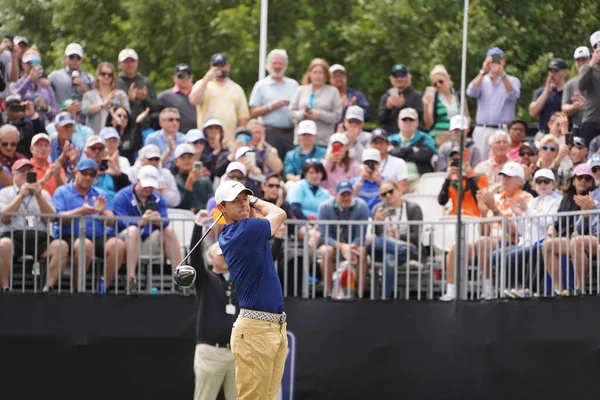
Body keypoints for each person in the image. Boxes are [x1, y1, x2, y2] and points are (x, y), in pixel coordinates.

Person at [215, 179, 288, 400]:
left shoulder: (243, 229)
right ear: (222, 208)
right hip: (256, 331)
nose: (243, 204)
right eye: (235, 202)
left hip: (273, 327)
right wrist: (256, 201)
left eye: (245, 198)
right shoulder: (244, 230)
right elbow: (279, 213)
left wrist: (248, 205)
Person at [440, 162, 532, 301]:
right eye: (503, 176)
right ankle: (451, 291)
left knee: (484, 242)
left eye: (509, 177)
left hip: (512, 243)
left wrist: (494, 209)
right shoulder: (495, 198)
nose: (505, 179)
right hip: (489, 242)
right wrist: (483, 213)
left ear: (520, 181)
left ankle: (488, 289)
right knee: (457, 246)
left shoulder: (526, 198)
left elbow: (515, 232)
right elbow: (484, 231)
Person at [46, 159, 125, 293]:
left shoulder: (100, 193)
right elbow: (56, 219)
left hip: (98, 235)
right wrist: (80, 211)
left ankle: (103, 287)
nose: (88, 177)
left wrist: (101, 212)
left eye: (92, 174)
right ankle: (77, 288)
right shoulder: (62, 192)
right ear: (76, 172)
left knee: (118, 244)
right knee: (85, 244)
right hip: (68, 235)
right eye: (84, 173)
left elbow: (111, 221)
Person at [112, 165, 182, 294]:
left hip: (149, 239)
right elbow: (119, 222)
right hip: (124, 238)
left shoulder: (158, 198)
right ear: (138, 180)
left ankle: (179, 279)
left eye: (151, 185)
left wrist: (158, 220)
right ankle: (131, 280)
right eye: (146, 185)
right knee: (133, 230)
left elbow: (165, 220)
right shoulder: (122, 196)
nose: (148, 188)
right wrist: (140, 222)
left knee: (169, 231)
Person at [190, 220, 238, 400]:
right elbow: (195, 258)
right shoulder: (205, 280)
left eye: (227, 253)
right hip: (211, 352)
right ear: (211, 257)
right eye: (220, 254)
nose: (225, 257)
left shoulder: (237, 283)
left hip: (235, 354)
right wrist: (197, 227)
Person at [498, 168, 562, 298]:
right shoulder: (533, 201)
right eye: (539, 181)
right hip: (525, 243)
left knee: (510, 256)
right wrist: (518, 215)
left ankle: (520, 288)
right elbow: (522, 230)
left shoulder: (557, 200)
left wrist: (527, 211)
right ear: (534, 184)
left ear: (553, 184)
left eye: (546, 181)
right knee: (496, 255)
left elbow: (548, 222)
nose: (543, 185)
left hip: (541, 243)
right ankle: (508, 289)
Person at [0, 159, 56, 292]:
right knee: (3, 245)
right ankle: (5, 286)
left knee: (61, 247)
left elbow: (51, 218)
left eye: (29, 171)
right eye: (22, 171)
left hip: (39, 236)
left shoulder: (44, 193)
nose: (26, 174)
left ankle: (49, 286)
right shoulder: (5, 193)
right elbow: (5, 217)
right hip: (14, 235)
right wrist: (20, 196)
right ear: (13, 174)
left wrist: (38, 196)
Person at [543, 163, 596, 296]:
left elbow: (591, 226)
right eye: (580, 178)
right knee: (547, 245)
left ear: (591, 182)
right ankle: (558, 289)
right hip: (566, 239)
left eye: (587, 178)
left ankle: (580, 288)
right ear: (573, 180)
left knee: (577, 241)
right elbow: (558, 222)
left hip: (588, 239)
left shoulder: (594, 198)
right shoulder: (567, 198)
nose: (583, 181)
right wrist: (552, 228)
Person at [370, 180, 423, 299]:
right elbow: (375, 235)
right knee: (370, 240)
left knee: (389, 257)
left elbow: (416, 236)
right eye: (384, 194)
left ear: (399, 191)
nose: (388, 196)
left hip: (408, 249)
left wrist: (398, 236)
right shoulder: (377, 209)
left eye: (390, 192)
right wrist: (376, 222)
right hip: (384, 248)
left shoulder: (413, 208)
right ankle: (400, 249)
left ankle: (385, 298)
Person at [316, 180, 370, 296]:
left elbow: (361, 236)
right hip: (334, 247)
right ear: (335, 195)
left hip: (353, 248)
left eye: (348, 194)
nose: (346, 197)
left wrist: (350, 247)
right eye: (342, 194)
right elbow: (324, 236)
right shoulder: (325, 207)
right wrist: (342, 247)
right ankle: (329, 294)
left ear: (352, 194)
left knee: (362, 251)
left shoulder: (362, 207)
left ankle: (359, 295)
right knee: (325, 250)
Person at [466, 47, 521, 158]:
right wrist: (483, 71)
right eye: (492, 60)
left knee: (502, 159)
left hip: (502, 129)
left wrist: (502, 75)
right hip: (483, 129)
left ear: (503, 62)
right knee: (480, 159)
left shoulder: (512, 80)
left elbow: (514, 94)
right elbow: (471, 92)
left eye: (497, 60)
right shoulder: (482, 80)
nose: (494, 64)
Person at [248, 49, 298, 159]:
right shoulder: (261, 85)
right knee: (272, 165)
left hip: (290, 133)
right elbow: (253, 112)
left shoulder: (294, 85)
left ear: (285, 65)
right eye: (275, 63)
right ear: (268, 65)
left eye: (280, 63)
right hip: (270, 133)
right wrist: (272, 106)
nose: (277, 66)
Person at [189, 53, 250, 141]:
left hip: (229, 140)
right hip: (206, 140)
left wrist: (240, 138)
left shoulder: (236, 88)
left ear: (228, 67)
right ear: (211, 68)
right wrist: (206, 79)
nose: (219, 69)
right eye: (216, 66)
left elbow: (243, 117)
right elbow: (194, 101)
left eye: (222, 66)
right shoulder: (202, 84)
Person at [288, 58, 342, 147]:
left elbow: (337, 116)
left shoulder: (333, 92)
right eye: (315, 72)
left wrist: (319, 114)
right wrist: (303, 113)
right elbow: (290, 113)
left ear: (326, 75)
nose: (317, 76)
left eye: (321, 73)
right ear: (309, 74)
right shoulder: (300, 90)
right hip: (301, 141)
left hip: (322, 141)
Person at [9, 46, 58, 125]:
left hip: (44, 125)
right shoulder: (15, 84)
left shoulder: (45, 85)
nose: (32, 65)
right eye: (29, 62)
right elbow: (15, 100)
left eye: (35, 62)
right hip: (25, 125)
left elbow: (55, 113)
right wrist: (29, 80)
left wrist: (46, 107)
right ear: (22, 64)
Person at [422, 64, 470, 141]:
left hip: (456, 136)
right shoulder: (433, 98)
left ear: (447, 78)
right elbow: (429, 123)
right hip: (438, 137)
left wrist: (462, 131)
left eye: (441, 81)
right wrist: (426, 105)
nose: (438, 85)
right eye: (435, 84)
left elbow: (466, 117)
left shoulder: (459, 97)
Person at [81, 61, 130, 135]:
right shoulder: (89, 95)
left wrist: (121, 104)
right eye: (103, 74)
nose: (106, 76)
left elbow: (128, 115)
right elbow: (85, 110)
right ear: (97, 75)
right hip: (95, 136)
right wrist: (105, 103)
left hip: (115, 137)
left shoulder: (120, 94)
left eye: (110, 74)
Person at [438, 147, 489, 217]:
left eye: (460, 159)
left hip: (474, 219)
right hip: (455, 218)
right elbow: (442, 201)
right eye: (455, 160)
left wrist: (470, 177)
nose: (458, 163)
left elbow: (481, 201)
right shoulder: (452, 180)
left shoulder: (480, 177)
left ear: (468, 160)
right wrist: (447, 179)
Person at [116, 48, 157, 131]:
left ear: (137, 62)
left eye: (132, 61)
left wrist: (145, 99)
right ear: (119, 63)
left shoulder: (146, 82)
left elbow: (156, 107)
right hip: (124, 129)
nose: (129, 65)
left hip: (145, 127)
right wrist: (129, 100)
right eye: (126, 62)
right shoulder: (115, 83)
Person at [378, 64, 423, 134]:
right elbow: (381, 120)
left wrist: (403, 106)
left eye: (402, 75)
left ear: (408, 77)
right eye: (395, 76)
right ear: (391, 79)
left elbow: (419, 118)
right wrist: (388, 108)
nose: (399, 79)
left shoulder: (417, 96)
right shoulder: (386, 97)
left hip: (411, 137)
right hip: (390, 137)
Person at [173, 143, 214, 212]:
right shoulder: (174, 182)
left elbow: (211, 203)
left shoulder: (205, 180)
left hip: (205, 219)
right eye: (183, 158)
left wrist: (198, 210)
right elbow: (180, 206)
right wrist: (189, 185)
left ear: (194, 159)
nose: (187, 160)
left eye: (190, 157)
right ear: (176, 162)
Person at [157, 63, 197, 133]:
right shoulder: (165, 97)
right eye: (180, 76)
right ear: (174, 78)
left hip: (199, 137)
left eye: (187, 76)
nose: (184, 78)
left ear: (192, 77)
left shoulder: (200, 93)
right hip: (177, 137)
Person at [562, 46, 590, 136]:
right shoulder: (570, 84)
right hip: (578, 128)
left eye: (584, 59)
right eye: (578, 60)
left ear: (591, 59)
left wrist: (589, 105)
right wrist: (575, 106)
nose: (581, 63)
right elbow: (564, 108)